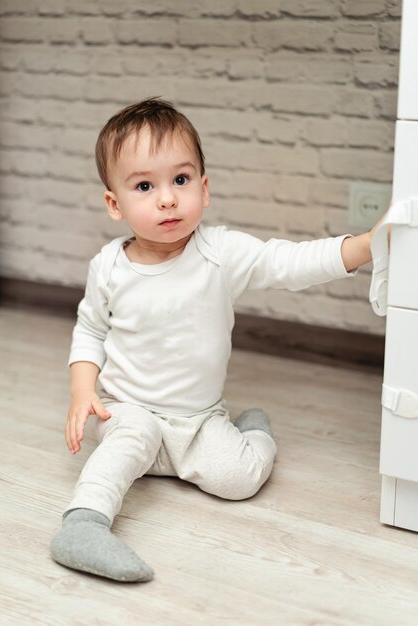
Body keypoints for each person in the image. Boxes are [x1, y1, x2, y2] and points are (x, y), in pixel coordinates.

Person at [50, 96, 377, 583]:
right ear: (115, 204)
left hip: (198, 419)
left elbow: (289, 263)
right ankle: (82, 525)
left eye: (180, 180)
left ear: (204, 188)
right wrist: (83, 391)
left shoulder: (221, 253)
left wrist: (368, 245)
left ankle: (254, 430)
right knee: (125, 444)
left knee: (240, 480)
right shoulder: (110, 266)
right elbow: (91, 329)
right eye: (145, 186)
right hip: (128, 409)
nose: (167, 198)